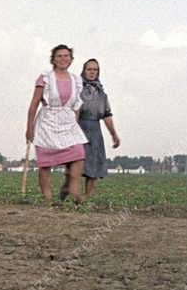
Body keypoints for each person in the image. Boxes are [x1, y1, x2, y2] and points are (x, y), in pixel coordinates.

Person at [26, 43, 87, 203]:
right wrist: (29, 128)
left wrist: (75, 122)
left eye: (66, 56)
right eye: (59, 56)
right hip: (47, 121)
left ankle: (74, 190)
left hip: (68, 122)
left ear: (71, 59)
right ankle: (47, 198)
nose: (63, 59)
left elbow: (77, 105)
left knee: (78, 154)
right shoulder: (45, 78)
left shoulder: (76, 80)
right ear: (53, 59)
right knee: (46, 163)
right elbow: (34, 104)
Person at [78, 58, 120, 198]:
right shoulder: (77, 88)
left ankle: (88, 196)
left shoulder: (102, 94)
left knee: (94, 163)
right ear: (84, 71)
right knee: (76, 162)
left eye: (95, 70)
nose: (92, 72)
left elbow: (107, 115)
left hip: (95, 129)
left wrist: (114, 134)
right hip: (79, 127)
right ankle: (73, 195)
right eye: (89, 69)